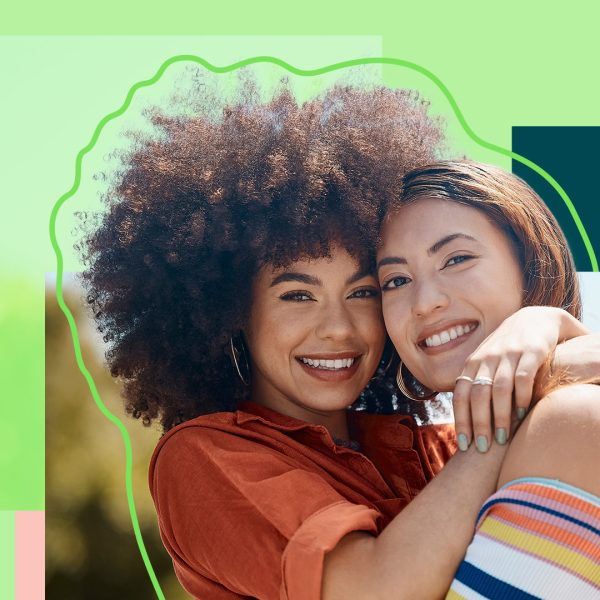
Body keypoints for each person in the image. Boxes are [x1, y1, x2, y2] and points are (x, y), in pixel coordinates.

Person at [81, 85, 597, 599]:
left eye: (365, 291)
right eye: (299, 295)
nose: (338, 328)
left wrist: (541, 325)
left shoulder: (419, 448)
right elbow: (372, 590)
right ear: (231, 311)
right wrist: (511, 408)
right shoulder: (204, 456)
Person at [377, 160, 600, 599]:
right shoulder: (434, 456)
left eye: (456, 259)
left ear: (530, 263)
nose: (425, 303)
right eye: (396, 279)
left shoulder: (572, 420)